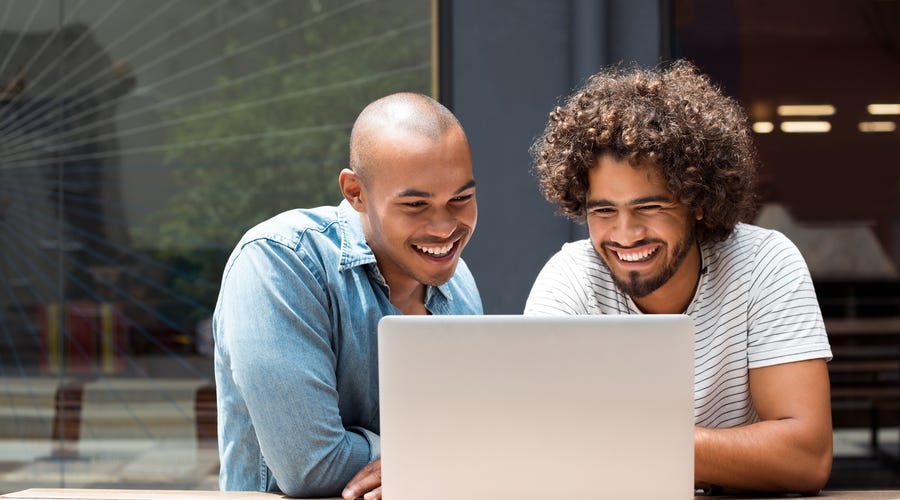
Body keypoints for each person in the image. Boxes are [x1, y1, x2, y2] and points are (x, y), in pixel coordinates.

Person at [524, 60, 833, 495]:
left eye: (650, 207)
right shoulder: (570, 280)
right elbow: (541, 452)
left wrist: (635, 446)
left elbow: (806, 458)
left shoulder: (764, 264)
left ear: (697, 202)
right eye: (604, 210)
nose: (626, 234)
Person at [213, 92, 481, 499]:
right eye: (415, 204)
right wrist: (434, 458)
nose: (444, 228)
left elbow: (472, 444)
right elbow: (311, 466)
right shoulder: (281, 260)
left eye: (461, 199)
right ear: (356, 192)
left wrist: (448, 458)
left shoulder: (459, 284)